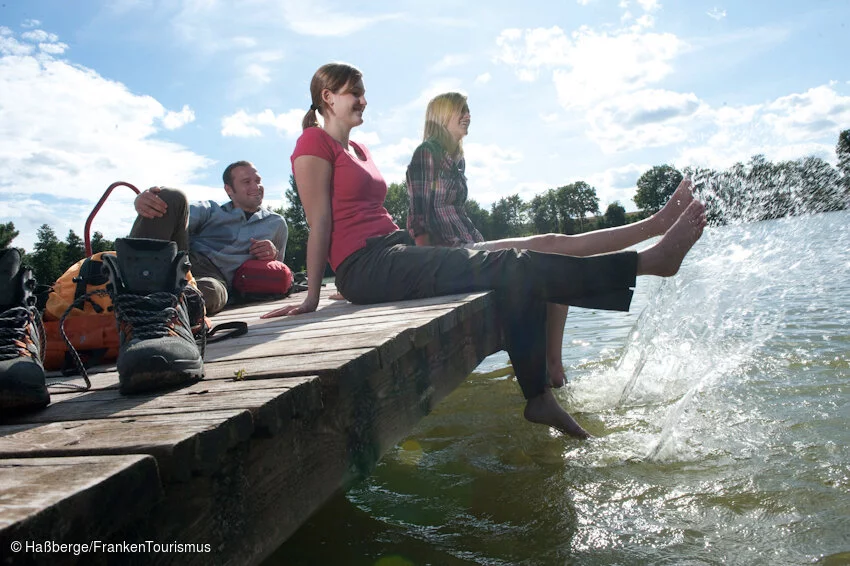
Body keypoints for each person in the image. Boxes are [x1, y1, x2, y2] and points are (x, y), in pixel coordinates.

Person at [262, 62, 706, 439]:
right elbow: (319, 220)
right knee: (515, 263)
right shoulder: (312, 144)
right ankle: (648, 263)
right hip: (367, 263)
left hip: (392, 255)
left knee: (520, 271)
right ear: (327, 97)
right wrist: (314, 295)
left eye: (363, 92)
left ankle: (540, 396)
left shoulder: (358, 148)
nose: (362, 99)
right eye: (353, 93)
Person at [407, 92, 697, 388]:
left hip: (470, 249)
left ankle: (554, 370)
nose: (468, 115)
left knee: (555, 270)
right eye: (460, 110)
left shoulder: (455, 159)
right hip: (451, 258)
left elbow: (453, 214)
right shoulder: (426, 153)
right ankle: (656, 225)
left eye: (468, 109)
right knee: (552, 242)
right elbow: (418, 221)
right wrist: (431, 275)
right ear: (441, 115)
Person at [130, 160, 287, 315]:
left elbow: (278, 273)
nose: (255, 187)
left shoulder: (276, 223)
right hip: (183, 261)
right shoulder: (211, 210)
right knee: (171, 196)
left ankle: (148, 304)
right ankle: (131, 281)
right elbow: (177, 215)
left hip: (215, 279)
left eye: (258, 180)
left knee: (208, 293)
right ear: (229, 190)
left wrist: (271, 255)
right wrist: (143, 200)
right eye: (247, 182)